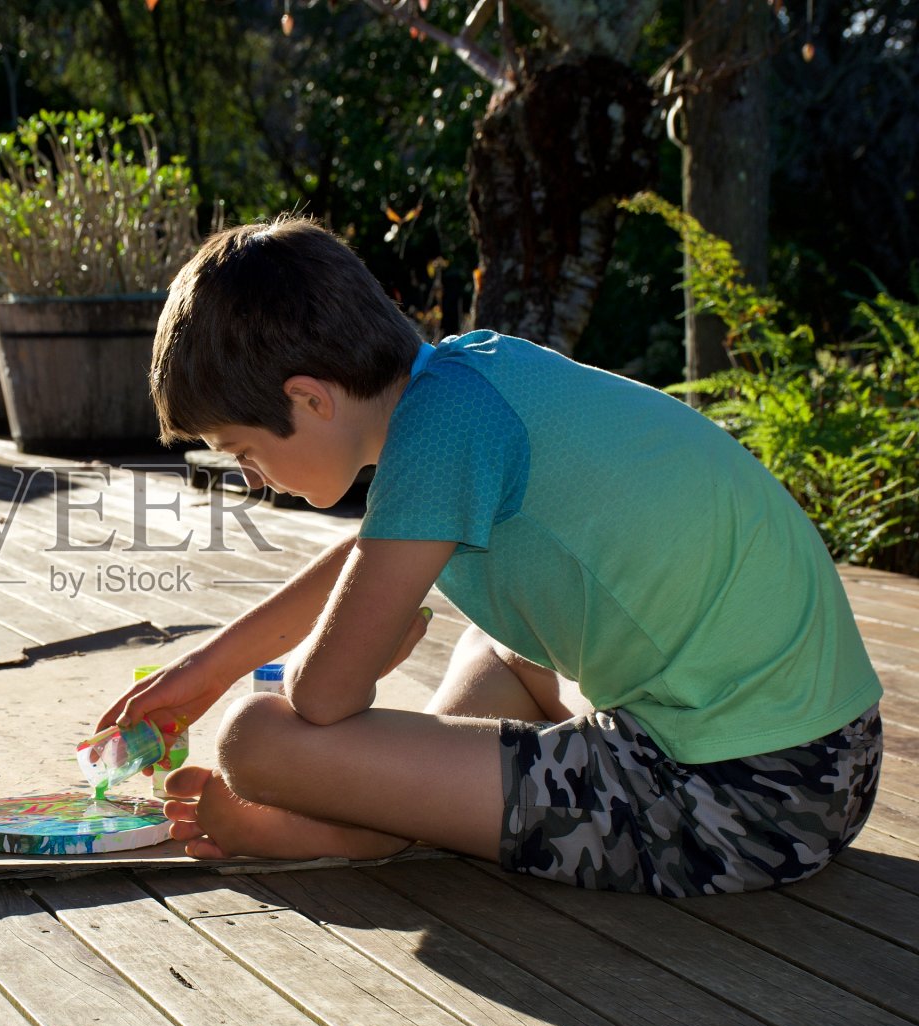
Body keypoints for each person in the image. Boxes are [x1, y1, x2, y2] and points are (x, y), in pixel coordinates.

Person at [97, 216, 884, 895]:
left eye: (243, 451)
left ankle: (372, 822)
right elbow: (371, 554)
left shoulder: (440, 434)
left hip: (738, 802)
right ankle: (395, 810)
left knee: (256, 739)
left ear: (311, 398)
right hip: (829, 759)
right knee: (493, 641)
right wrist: (210, 665)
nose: (250, 476)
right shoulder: (465, 378)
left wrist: (342, 661)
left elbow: (324, 697)